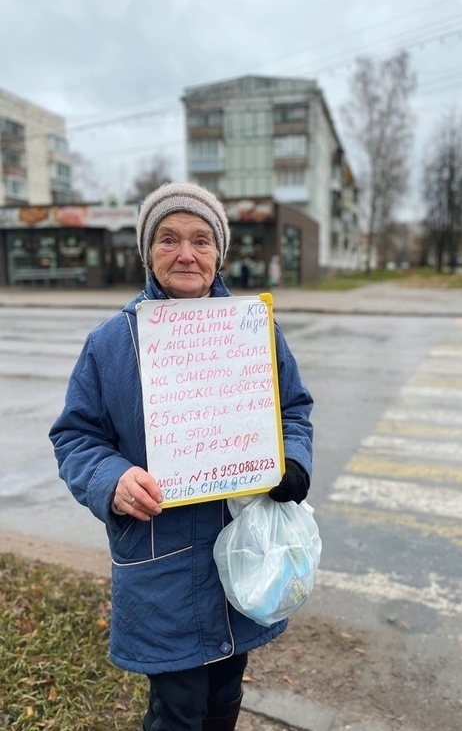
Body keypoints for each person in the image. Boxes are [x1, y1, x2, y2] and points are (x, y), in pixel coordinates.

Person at [49, 182, 314, 731]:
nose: (186, 253)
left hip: (241, 556)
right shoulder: (111, 344)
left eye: (200, 239)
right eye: (168, 238)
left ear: (219, 252)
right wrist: (112, 480)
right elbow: (76, 436)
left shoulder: (254, 329)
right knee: (177, 709)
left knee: (224, 696)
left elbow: (293, 409)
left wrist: (292, 461)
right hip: (159, 564)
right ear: (147, 251)